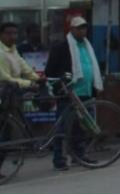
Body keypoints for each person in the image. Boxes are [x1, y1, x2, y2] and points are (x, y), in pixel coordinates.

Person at [43, 16, 102, 171]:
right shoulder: (61, 46)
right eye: (79, 28)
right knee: (62, 127)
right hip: (68, 92)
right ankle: (59, 159)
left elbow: (91, 66)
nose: (83, 31)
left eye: (84, 28)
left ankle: (79, 155)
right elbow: (50, 71)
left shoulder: (87, 46)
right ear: (72, 29)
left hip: (86, 92)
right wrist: (62, 82)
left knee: (81, 127)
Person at [0, 20, 39, 91]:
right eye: (8, 34)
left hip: (14, 92)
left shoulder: (13, 49)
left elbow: (24, 67)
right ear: (1, 35)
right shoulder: (1, 53)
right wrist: (28, 83)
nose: (12, 37)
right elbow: (6, 80)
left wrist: (38, 78)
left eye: (15, 33)